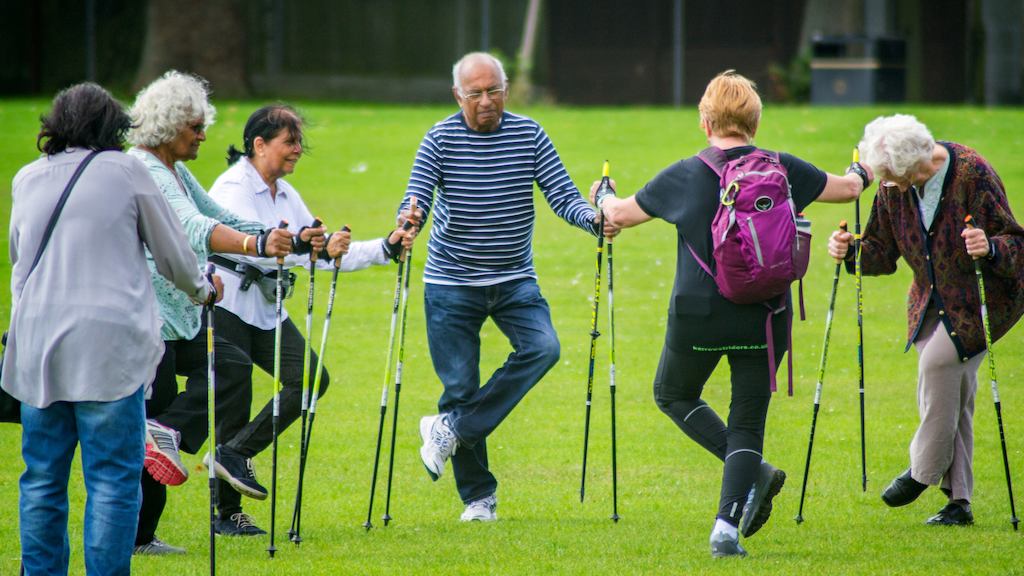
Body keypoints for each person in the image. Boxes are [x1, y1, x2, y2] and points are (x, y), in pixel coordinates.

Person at [593, 70, 869, 558]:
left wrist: (602, 194)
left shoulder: (682, 174)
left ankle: (756, 472)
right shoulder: (784, 169)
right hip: (765, 316)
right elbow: (847, 189)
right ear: (756, 122)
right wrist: (864, 172)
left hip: (697, 315)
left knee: (672, 393)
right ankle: (726, 528)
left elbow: (618, 216)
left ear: (705, 122)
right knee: (747, 423)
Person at [3, 83, 215, 575]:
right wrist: (203, 291)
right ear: (114, 126)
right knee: (112, 480)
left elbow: (19, 260)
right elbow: (175, 257)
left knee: (41, 479)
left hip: (39, 349)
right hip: (109, 351)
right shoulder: (128, 172)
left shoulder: (27, 177)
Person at [401, 52, 616, 522]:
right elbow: (416, 196)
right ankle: (479, 499)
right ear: (458, 95)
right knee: (460, 386)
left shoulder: (529, 133)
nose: (486, 101)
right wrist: (408, 222)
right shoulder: (439, 138)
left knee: (543, 348)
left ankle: (449, 429)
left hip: (514, 279)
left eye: (494, 90)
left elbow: (562, 194)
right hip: (451, 283)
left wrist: (595, 221)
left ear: (506, 90)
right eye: (475, 93)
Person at [206, 103, 417, 529]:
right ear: (259, 144)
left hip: (266, 309)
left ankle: (235, 453)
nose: (299, 149)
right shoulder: (232, 187)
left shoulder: (285, 193)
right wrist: (305, 245)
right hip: (227, 304)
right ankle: (227, 514)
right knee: (235, 400)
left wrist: (384, 248)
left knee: (310, 379)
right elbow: (254, 244)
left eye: (300, 142)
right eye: (290, 141)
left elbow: (313, 250)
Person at [126, 71, 299, 553]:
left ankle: (166, 437)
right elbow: (192, 227)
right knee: (155, 417)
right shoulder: (143, 171)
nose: (204, 135)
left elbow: (217, 214)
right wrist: (254, 243)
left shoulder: (176, 171)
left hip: (183, 314)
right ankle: (140, 536)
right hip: (152, 317)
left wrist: (275, 239)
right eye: (195, 127)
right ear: (168, 126)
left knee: (228, 368)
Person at [828, 114, 1024, 526]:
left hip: (980, 301)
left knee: (937, 366)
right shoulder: (893, 185)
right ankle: (959, 503)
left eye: (895, 177)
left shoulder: (972, 173)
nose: (890, 186)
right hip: (928, 303)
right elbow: (881, 253)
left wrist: (988, 246)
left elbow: (1016, 244)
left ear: (917, 163)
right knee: (955, 396)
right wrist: (850, 251)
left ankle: (921, 472)